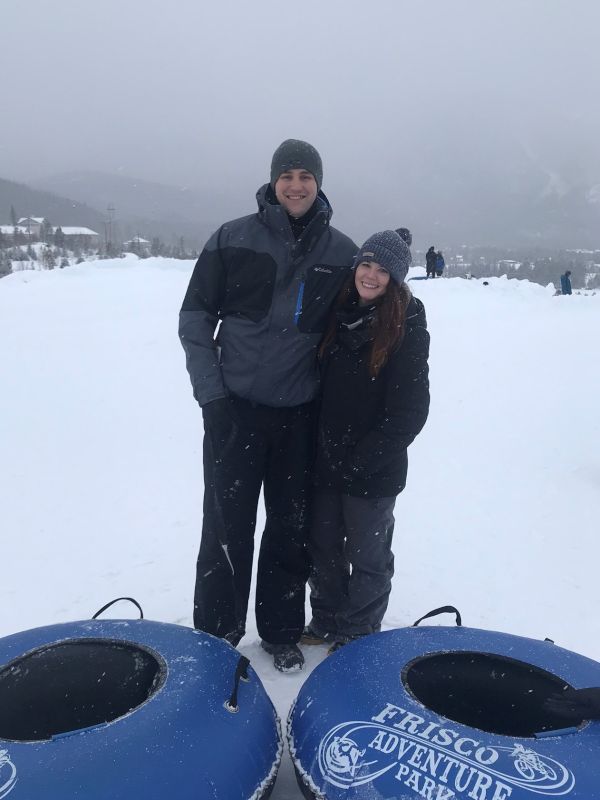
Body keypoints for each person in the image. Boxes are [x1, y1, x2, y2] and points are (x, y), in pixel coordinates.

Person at [179, 139, 357, 671]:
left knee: (289, 525)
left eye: (306, 176)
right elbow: (194, 320)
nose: (296, 185)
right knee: (225, 523)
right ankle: (217, 633)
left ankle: (280, 629)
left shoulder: (342, 252)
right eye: (288, 176)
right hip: (235, 411)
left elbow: (354, 331)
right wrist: (211, 397)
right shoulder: (232, 238)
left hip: (299, 416)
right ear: (273, 182)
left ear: (319, 183)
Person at [303, 230, 430, 652]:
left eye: (382, 270)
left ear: (395, 279)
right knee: (322, 548)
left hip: (372, 468)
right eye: (366, 265)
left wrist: (364, 458)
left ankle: (357, 633)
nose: (371, 276)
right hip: (325, 460)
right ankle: (325, 621)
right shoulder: (339, 314)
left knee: (368, 555)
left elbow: (410, 411)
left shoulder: (406, 326)